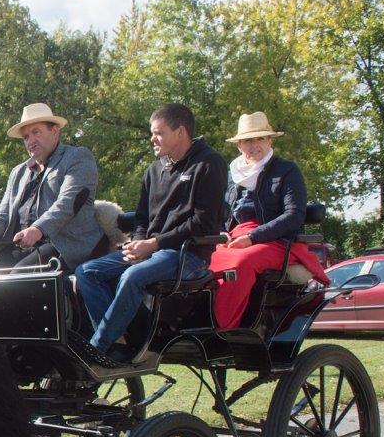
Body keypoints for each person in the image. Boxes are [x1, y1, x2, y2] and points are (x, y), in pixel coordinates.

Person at [76, 103, 227, 359]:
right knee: (87, 272)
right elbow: (142, 218)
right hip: (152, 251)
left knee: (132, 277)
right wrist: (137, 243)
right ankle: (125, 341)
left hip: (187, 255)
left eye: (159, 132)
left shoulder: (209, 163)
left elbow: (203, 222)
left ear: (180, 132)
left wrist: (153, 244)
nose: (152, 139)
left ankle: (96, 351)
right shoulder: (153, 170)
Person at [209, 112, 328, 328]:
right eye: (248, 140)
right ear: (239, 146)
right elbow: (218, 212)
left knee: (240, 263)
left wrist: (253, 237)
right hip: (234, 238)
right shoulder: (230, 174)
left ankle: (223, 327)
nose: (254, 145)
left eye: (259, 138)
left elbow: (293, 216)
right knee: (197, 258)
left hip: (276, 240)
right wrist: (220, 232)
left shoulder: (287, 171)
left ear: (269, 141)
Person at [0, 103, 100, 272]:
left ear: (55, 132)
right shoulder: (18, 173)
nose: (31, 141)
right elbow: (3, 215)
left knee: (14, 281)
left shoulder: (77, 157)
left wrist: (38, 229)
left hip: (61, 244)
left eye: (36, 132)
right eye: (26, 137)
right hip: (21, 248)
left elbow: (68, 203)